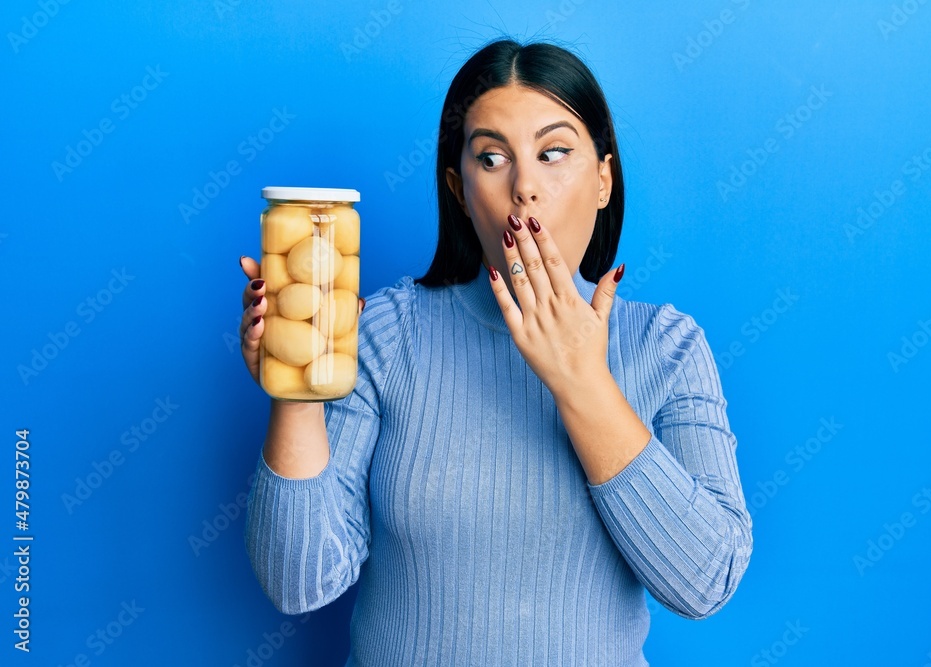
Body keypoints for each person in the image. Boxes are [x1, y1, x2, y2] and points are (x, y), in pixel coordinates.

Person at [238, 37, 752, 667]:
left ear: (602, 181)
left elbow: (705, 582)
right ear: (458, 188)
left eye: (555, 152)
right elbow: (301, 582)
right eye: (491, 158)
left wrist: (581, 382)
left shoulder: (666, 347)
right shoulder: (385, 335)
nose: (524, 187)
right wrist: (294, 387)